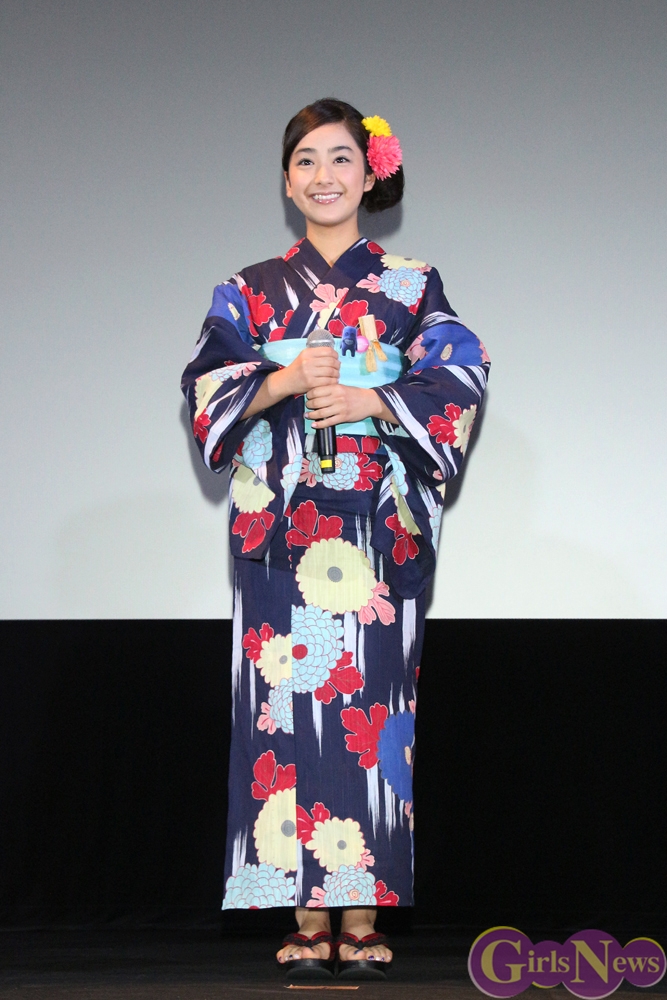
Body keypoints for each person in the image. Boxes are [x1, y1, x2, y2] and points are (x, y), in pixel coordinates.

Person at [181, 98, 489, 982]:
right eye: (307, 160)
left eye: (341, 158)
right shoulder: (245, 289)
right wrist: (281, 379)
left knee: (371, 716)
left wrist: (371, 400)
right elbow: (205, 383)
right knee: (282, 711)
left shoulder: (412, 286)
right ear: (287, 182)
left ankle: (361, 911)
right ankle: (305, 914)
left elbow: (459, 374)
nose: (324, 175)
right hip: (281, 531)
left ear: (370, 173)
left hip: (373, 528)